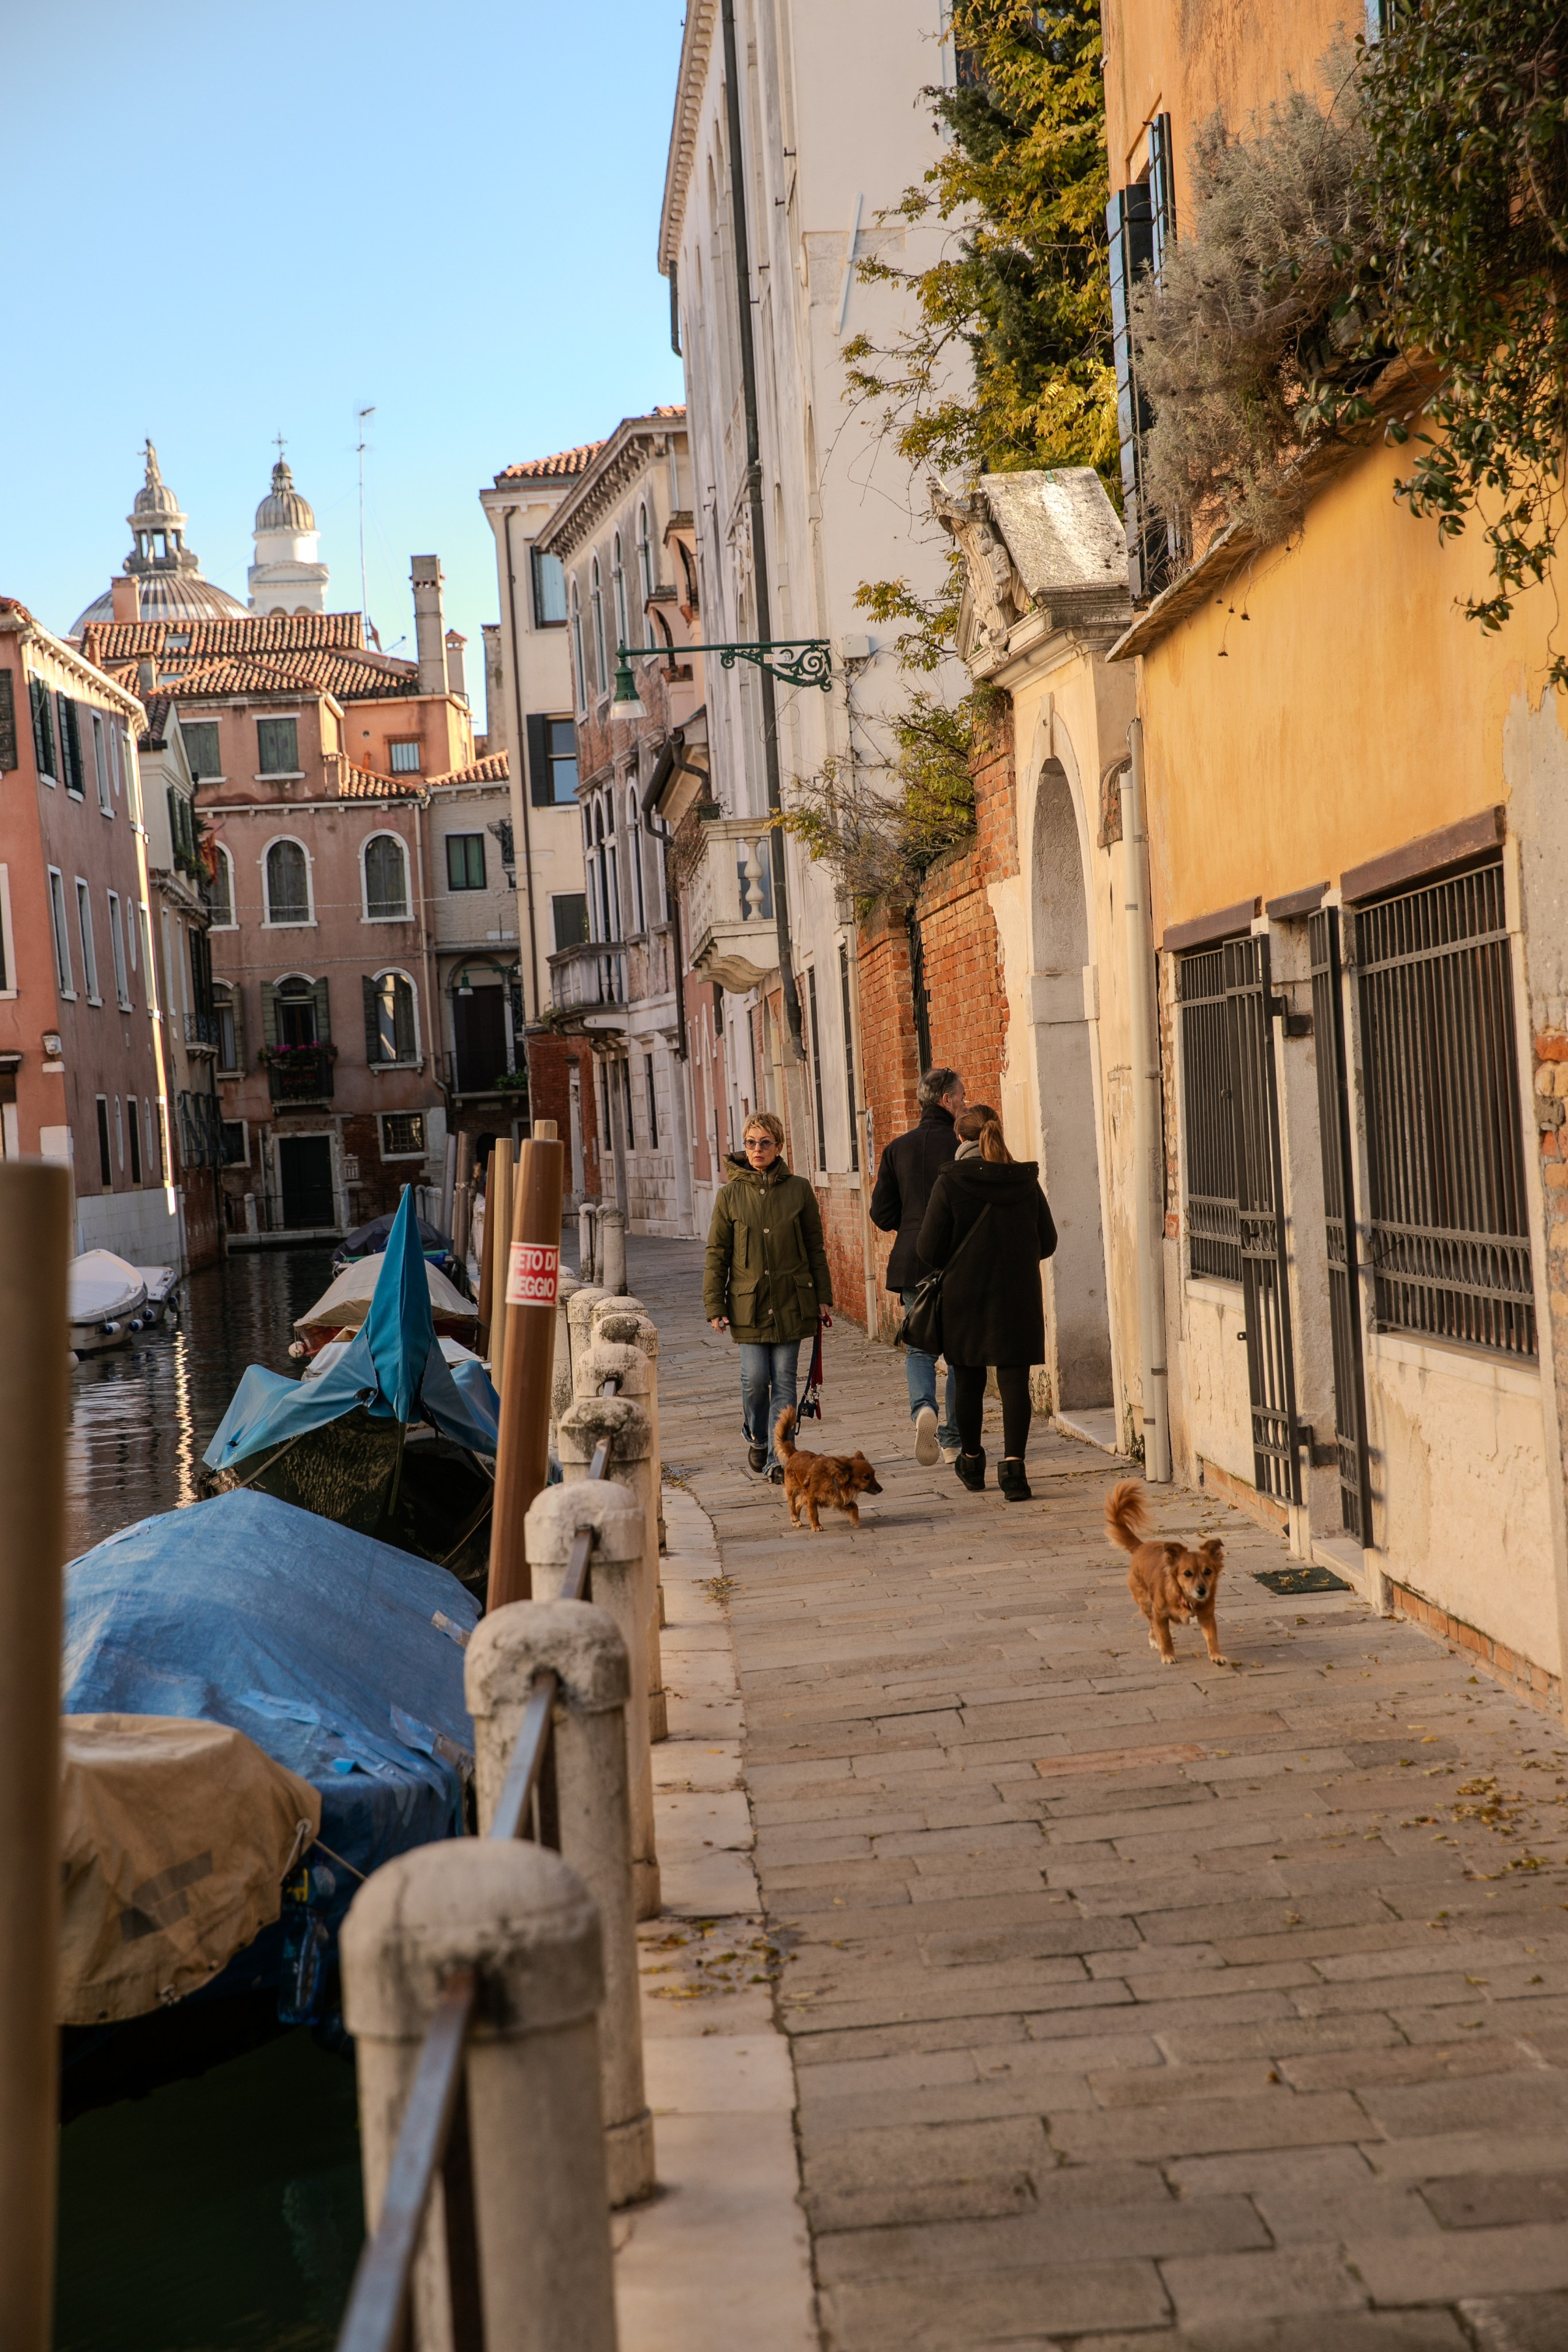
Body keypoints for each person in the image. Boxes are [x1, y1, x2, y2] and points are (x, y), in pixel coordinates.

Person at [915, 1104, 1057, 1502]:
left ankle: (973, 1462)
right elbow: (1048, 1242)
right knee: (1014, 1381)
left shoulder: (950, 1182)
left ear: (961, 1139)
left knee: (970, 1381)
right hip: (1018, 1295)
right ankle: (1015, 1471)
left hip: (965, 1298)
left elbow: (928, 1249)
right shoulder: (1025, 1180)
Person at [704, 1110, 834, 1482]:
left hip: (793, 1301)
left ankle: (781, 1456)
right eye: (750, 1143)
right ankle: (757, 1435)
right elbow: (717, 1254)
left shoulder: (800, 1190)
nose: (757, 1149)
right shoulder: (729, 1196)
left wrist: (823, 1295)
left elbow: (815, 1247)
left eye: (764, 1143)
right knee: (755, 1379)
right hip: (748, 1304)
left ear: (778, 1146)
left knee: (785, 1378)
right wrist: (715, 1305)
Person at [869, 1065, 967, 1466]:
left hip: (913, 1261)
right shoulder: (963, 1147)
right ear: (946, 1100)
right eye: (961, 1095)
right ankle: (953, 1438)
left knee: (920, 1349)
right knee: (962, 1353)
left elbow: (880, 1212)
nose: (965, 1101)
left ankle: (923, 1409)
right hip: (958, 1260)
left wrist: (910, 1227)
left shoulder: (897, 1149)